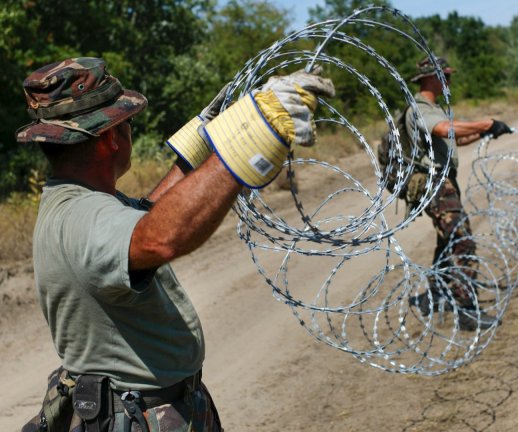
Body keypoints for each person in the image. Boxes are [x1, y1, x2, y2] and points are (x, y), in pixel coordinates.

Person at [17, 57, 334, 431]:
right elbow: (160, 236)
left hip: (147, 408)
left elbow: (149, 215)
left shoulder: (80, 202)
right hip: (138, 417)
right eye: (127, 123)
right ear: (109, 140)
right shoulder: (84, 218)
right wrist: (251, 142)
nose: (129, 131)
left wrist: (203, 141)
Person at [403, 56, 512, 331]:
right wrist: (485, 123)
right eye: (446, 77)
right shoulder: (420, 109)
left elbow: (455, 138)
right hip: (435, 184)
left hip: (444, 183)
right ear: (431, 78)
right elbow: (443, 129)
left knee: (447, 242)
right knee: (462, 242)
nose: (449, 82)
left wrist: (487, 132)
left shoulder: (433, 108)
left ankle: (436, 294)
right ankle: (465, 309)